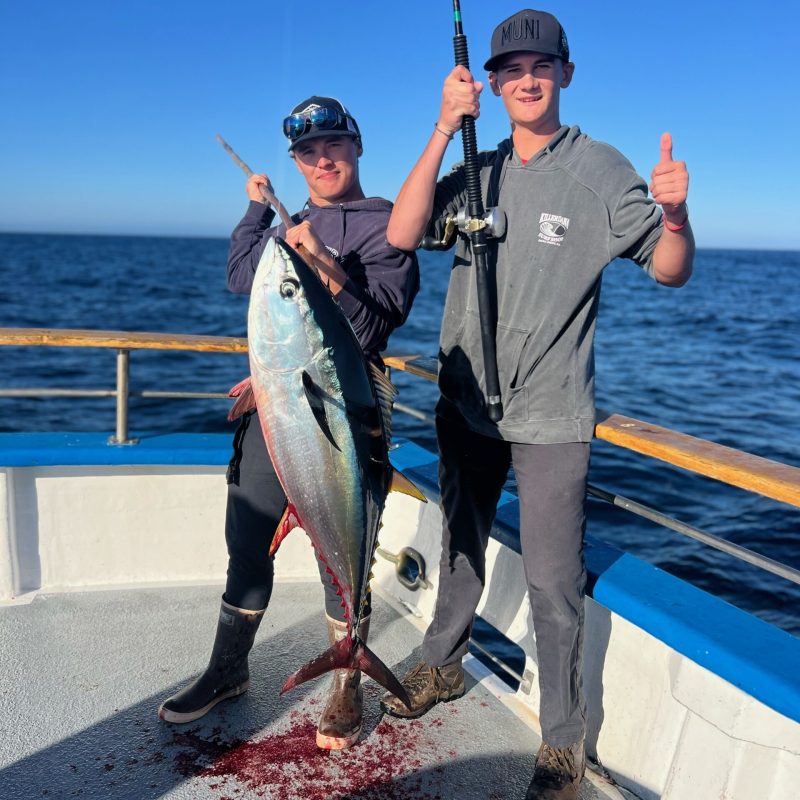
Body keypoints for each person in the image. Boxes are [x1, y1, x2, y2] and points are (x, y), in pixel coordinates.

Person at [379, 9, 693, 800]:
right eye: (510, 68)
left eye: (541, 66)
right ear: (489, 82)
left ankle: (563, 745)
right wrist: (443, 129)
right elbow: (404, 229)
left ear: (565, 75)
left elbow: (669, 268)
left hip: (553, 414)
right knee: (457, 549)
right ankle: (441, 664)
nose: (526, 79)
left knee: (554, 586)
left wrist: (679, 215)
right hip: (465, 405)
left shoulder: (599, 170)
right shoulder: (475, 167)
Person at [159, 96, 420, 751]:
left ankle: (346, 680)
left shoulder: (386, 224)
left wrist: (322, 266)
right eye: (308, 152)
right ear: (297, 162)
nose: (322, 159)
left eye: (334, 146)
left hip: (344, 416)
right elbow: (242, 276)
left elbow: (380, 316)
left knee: (342, 558)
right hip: (279, 407)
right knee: (246, 539)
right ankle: (227, 669)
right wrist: (257, 208)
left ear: (357, 147)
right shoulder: (288, 221)